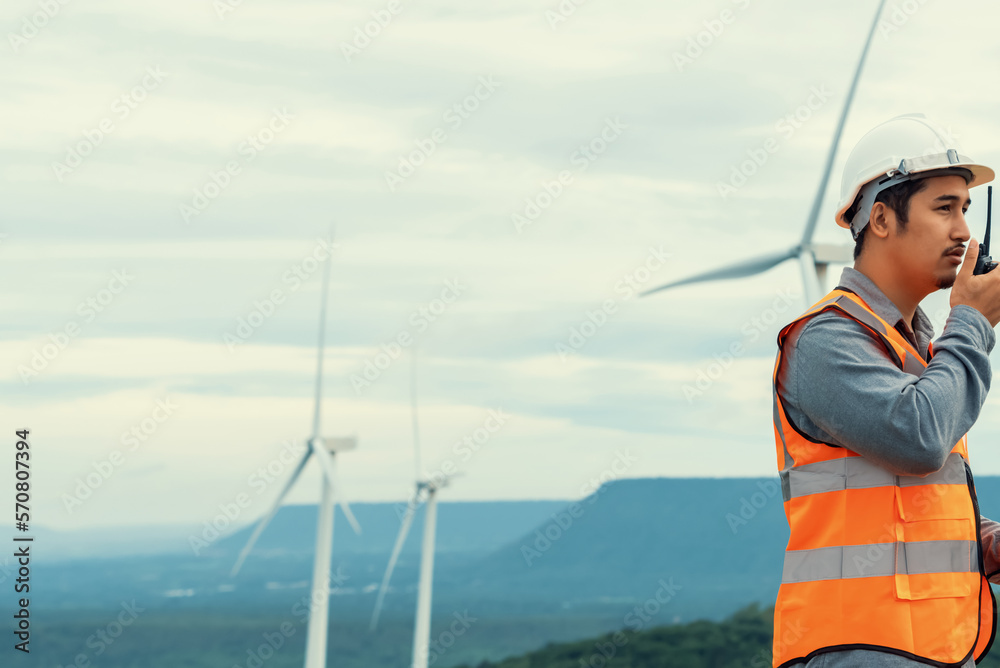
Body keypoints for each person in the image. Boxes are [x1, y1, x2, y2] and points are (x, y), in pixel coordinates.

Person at [771, 113, 1000, 668]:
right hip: (859, 650)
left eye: (966, 210)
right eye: (944, 207)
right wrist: (971, 323)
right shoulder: (826, 339)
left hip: (932, 649)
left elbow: (904, 504)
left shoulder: (919, 349)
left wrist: (985, 540)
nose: (964, 232)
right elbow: (917, 439)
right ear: (879, 218)